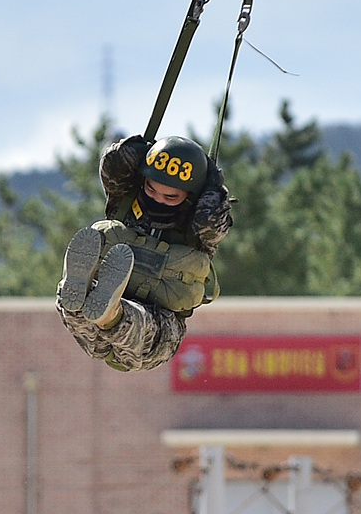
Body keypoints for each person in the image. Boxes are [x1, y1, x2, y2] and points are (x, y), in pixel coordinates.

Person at [56, 134, 233, 371]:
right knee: (74, 303)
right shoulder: (126, 198)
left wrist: (210, 179)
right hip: (91, 332)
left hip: (154, 329)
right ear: (142, 181)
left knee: (144, 326)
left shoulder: (200, 229)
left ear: (190, 197)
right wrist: (145, 150)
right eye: (151, 189)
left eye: (170, 196)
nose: (157, 199)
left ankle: (112, 312)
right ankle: (84, 292)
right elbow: (114, 162)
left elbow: (215, 214)